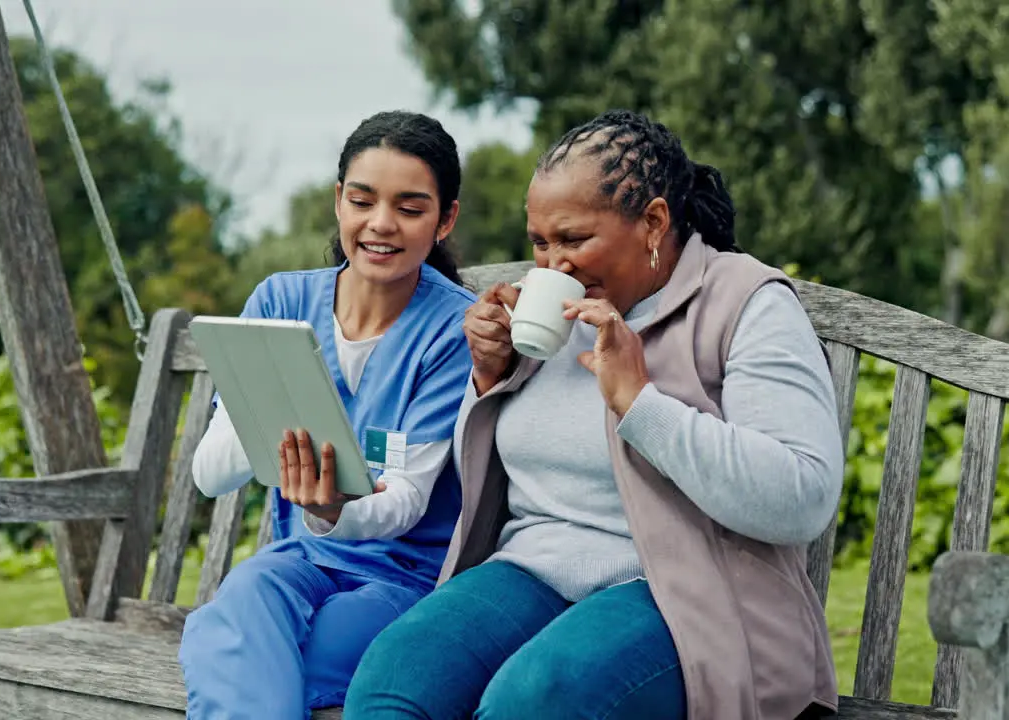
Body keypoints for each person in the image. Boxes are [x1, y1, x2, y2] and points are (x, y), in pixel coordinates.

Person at [342, 109, 844, 720]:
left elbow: (803, 495)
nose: (553, 265)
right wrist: (489, 379)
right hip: (531, 566)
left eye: (575, 240)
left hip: (688, 591)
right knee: (396, 672)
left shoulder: (746, 304)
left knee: (532, 700)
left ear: (653, 221)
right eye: (540, 242)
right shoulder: (552, 305)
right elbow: (504, 467)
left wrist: (641, 402)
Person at [177, 110, 476, 719]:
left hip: (404, 581)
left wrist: (332, 509)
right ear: (339, 201)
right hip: (299, 562)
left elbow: (407, 503)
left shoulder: (453, 330)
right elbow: (211, 476)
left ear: (445, 219)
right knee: (238, 605)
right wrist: (271, 396)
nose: (380, 224)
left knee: (247, 650)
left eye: (410, 209)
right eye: (362, 201)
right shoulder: (281, 300)